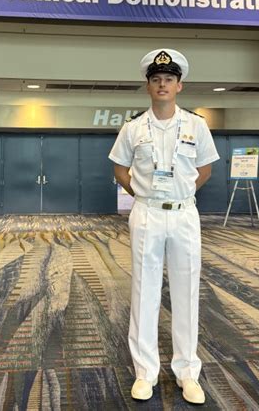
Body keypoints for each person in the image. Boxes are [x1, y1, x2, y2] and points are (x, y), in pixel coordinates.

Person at [108, 48, 219, 405]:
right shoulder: (133, 128)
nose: (162, 85)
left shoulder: (196, 126)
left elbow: (205, 170)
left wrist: (181, 193)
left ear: (179, 86)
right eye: (156, 79)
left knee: (187, 291)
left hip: (184, 214)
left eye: (169, 79)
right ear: (148, 86)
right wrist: (143, 194)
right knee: (145, 290)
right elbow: (120, 169)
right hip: (148, 214)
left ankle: (188, 372)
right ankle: (145, 372)